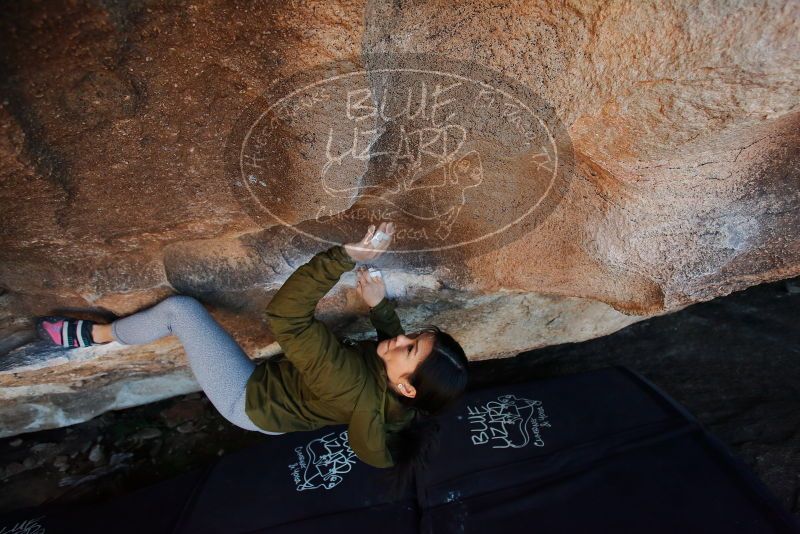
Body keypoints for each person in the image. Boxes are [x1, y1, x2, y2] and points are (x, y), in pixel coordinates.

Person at [35, 221, 469, 494]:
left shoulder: (350, 384)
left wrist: (343, 258)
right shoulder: (402, 397)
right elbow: (391, 356)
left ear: (406, 386)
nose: (401, 338)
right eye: (413, 335)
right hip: (285, 400)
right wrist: (379, 309)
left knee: (180, 311)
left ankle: (98, 334)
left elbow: (286, 317)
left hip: (245, 400)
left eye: (409, 347)